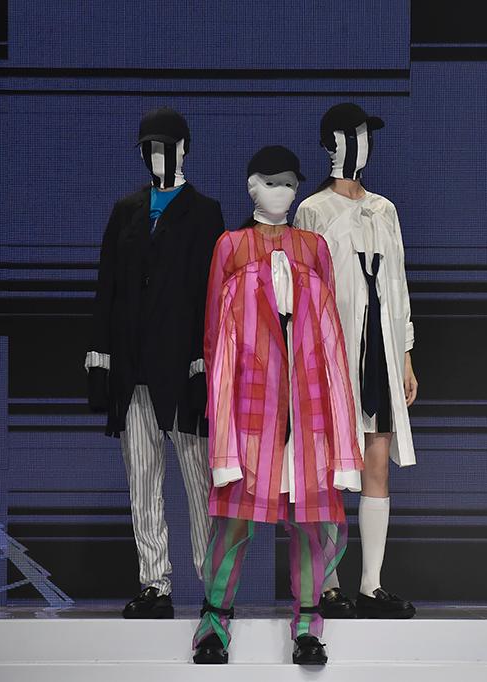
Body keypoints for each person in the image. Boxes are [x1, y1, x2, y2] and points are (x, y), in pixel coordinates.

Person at [191, 145, 363, 665]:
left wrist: (338, 425)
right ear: (251, 187)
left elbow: (329, 336)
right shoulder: (231, 245)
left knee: (308, 520)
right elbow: (214, 336)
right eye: (271, 181)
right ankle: (214, 623)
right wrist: (220, 416)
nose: (282, 192)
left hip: (306, 406)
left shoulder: (313, 247)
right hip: (250, 404)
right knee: (234, 517)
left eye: (290, 183)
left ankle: (308, 627)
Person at [85, 106, 224, 618]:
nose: (156, 154)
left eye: (164, 145)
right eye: (149, 147)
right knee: (142, 480)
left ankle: (214, 589)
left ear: (184, 149)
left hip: (183, 367)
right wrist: (100, 360)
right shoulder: (126, 210)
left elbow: (212, 295)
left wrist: (203, 362)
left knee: (199, 482)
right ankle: (154, 584)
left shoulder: (205, 213)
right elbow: (108, 287)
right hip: (133, 366)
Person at [293, 103, 419, 619]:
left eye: (367, 135)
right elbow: (304, 290)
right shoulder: (312, 210)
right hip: (333, 351)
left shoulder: (385, 209)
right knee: (328, 467)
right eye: (355, 134)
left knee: (377, 459)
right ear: (333, 144)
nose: (364, 144)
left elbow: (399, 284)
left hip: (380, 351)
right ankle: (328, 584)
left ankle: (372, 585)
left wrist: (405, 355)